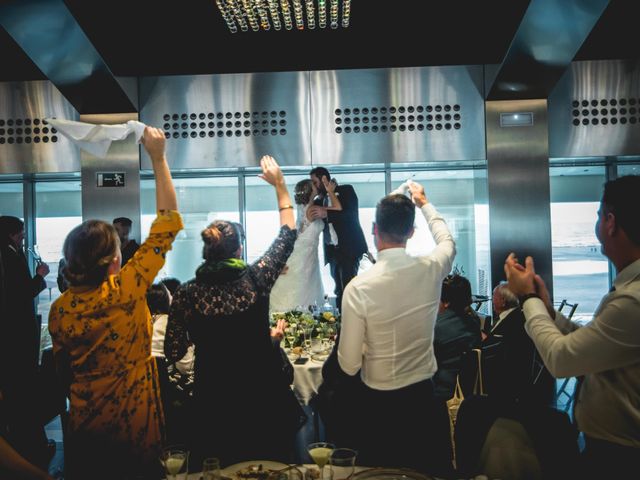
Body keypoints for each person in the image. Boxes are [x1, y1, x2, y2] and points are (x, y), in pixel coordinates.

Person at [48, 126, 183, 480]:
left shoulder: (60, 309)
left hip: (85, 424)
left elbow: (62, 370)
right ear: (113, 262)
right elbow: (166, 224)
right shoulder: (125, 290)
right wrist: (158, 156)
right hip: (135, 423)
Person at [165, 155, 306, 467]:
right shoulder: (256, 278)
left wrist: (206, 338)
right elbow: (287, 235)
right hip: (261, 396)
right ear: (239, 250)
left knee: (220, 467)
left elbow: (173, 350)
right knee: (270, 466)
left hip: (213, 398)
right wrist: (280, 185)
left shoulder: (187, 293)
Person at [504, 175, 640, 479]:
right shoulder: (629, 293)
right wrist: (549, 312)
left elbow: (562, 359)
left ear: (610, 222)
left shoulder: (633, 301)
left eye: (598, 215)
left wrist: (527, 299)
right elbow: (591, 347)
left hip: (621, 457)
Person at [337, 181, 456, 475]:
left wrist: (366, 346)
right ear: (412, 233)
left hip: (378, 408)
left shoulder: (358, 288)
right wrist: (424, 203)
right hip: (425, 403)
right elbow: (448, 243)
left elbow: (349, 366)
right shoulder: (432, 268)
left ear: (375, 230)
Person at [0, 215, 51, 469]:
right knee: (23, 389)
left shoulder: (10, 254)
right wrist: (40, 276)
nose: (23, 236)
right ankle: (32, 444)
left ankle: (28, 441)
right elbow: (21, 293)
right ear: (11, 234)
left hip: (14, 335)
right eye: (20, 232)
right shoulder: (8, 257)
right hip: (16, 334)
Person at [269, 177, 342, 312]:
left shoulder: (306, 208)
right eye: (313, 185)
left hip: (308, 253)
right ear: (309, 191)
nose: (316, 185)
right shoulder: (312, 210)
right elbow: (337, 209)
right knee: (300, 286)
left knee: (305, 286)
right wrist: (331, 191)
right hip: (303, 254)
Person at [482, 281, 555, 406]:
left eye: (494, 296)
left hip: (507, 381)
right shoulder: (514, 316)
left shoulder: (515, 321)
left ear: (503, 301)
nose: (492, 300)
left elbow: (502, 348)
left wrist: (485, 339)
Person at [308, 167, 367, 311]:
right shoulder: (319, 200)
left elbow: (350, 215)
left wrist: (326, 213)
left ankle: (353, 324)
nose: (313, 186)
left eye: (315, 182)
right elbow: (308, 215)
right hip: (332, 251)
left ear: (324, 179)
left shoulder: (346, 190)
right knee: (338, 290)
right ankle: (342, 323)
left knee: (349, 289)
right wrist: (314, 195)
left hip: (350, 248)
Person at [432, 273, 482, 401]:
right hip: (466, 392)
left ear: (446, 301)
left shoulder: (435, 328)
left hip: (440, 394)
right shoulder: (474, 321)